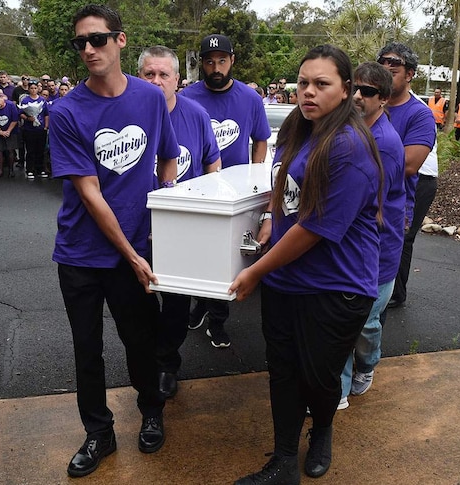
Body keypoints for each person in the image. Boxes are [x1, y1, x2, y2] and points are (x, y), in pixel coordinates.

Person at [228, 44, 383, 484]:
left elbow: (314, 228)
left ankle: (323, 430)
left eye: (321, 84)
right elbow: (284, 188)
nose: (308, 92)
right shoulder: (299, 126)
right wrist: (266, 218)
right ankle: (282, 462)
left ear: (347, 89)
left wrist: (256, 271)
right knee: (282, 370)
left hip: (335, 286)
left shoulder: (349, 146)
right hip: (287, 279)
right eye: (303, 83)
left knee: (318, 376)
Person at [48, 4, 179, 478]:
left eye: (97, 39)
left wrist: (164, 217)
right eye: (79, 42)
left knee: (141, 342)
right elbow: (90, 194)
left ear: (120, 41)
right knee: (88, 349)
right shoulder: (65, 111)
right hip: (82, 254)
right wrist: (131, 255)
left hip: (137, 250)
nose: (88, 49)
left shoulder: (148, 98)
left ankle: (151, 412)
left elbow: (167, 160)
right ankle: (99, 433)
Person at [137, 45, 222, 400]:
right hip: (136, 228)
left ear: (177, 79)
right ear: (138, 77)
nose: (157, 82)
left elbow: (212, 167)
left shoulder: (196, 114)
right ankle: (144, 363)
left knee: (175, 304)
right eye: (149, 75)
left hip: (183, 229)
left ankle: (166, 365)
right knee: (139, 303)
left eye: (163, 75)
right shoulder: (128, 111)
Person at [180, 33, 271, 349]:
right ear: (201, 64)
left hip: (234, 191)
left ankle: (217, 320)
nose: (215, 67)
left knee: (224, 258)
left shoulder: (250, 99)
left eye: (221, 60)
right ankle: (200, 305)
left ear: (232, 61)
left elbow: (261, 140)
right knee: (196, 253)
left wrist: (255, 176)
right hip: (197, 187)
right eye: (209, 61)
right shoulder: (187, 98)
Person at [339, 62, 405, 410]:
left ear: (383, 99)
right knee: (347, 321)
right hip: (352, 245)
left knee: (366, 322)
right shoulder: (349, 129)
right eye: (354, 89)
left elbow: (369, 202)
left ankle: (367, 364)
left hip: (379, 248)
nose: (358, 97)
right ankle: (338, 389)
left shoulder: (386, 143)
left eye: (367, 92)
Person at [378, 42, 438, 309]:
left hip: (420, 180)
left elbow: (409, 165)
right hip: (379, 182)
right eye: (383, 64)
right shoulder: (369, 104)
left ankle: (395, 293)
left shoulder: (419, 113)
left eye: (395, 66)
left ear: (410, 74)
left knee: (403, 236)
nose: (387, 68)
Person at [18, 80, 49, 178]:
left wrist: (45, 126)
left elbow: (46, 114)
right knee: (30, 149)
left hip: (40, 128)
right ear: (29, 89)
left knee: (40, 149)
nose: (33, 90)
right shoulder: (25, 100)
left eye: (35, 88)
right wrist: (28, 118)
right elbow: (21, 113)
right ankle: (30, 169)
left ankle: (40, 169)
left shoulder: (42, 100)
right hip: (29, 129)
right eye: (31, 88)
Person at [0, 91, 21, 177]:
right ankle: (0, 169)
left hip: (11, 130)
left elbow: (15, 120)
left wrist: (8, 131)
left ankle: (11, 170)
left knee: (10, 150)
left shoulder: (11, 105)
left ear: (2, 98)